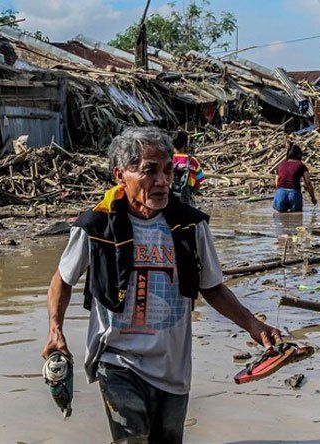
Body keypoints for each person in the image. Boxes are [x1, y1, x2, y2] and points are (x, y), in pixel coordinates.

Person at [42, 127, 282, 444]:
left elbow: (212, 287)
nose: (162, 181)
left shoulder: (190, 225)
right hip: (118, 360)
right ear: (120, 175)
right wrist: (55, 329)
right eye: (149, 171)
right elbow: (62, 279)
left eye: (167, 170)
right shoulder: (96, 226)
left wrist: (253, 324)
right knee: (132, 440)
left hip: (172, 367)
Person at [273, 144, 317, 213]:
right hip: (294, 194)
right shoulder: (301, 165)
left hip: (280, 194)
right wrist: (313, 198)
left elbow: (277, 183)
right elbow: (308, 183)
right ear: (299, 155)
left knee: (281, 216)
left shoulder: (280, 165)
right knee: (297, 215)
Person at [171, 130, 205, 206]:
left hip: (171, 201)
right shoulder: (193, 161)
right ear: (186, 144)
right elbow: (200, 181)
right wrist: (192, 193)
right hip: (186, 200)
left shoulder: (169, 160)